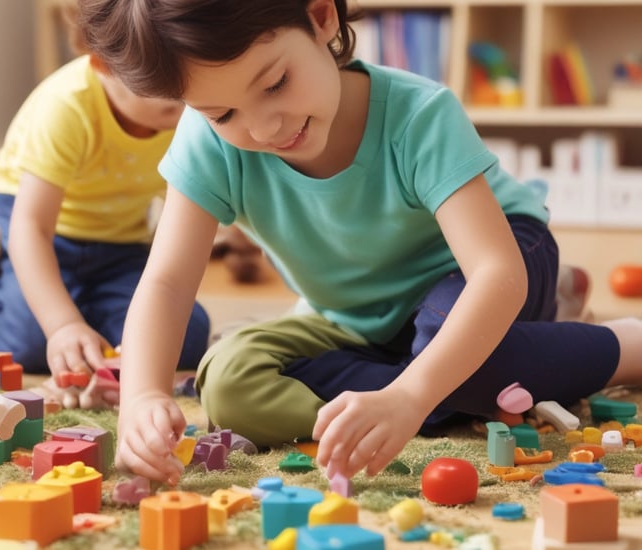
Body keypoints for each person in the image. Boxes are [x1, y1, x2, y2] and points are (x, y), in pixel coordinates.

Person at [78, 0, 642, 482]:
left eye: (275, 83)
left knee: (452, 346)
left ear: (322, 15)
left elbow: (498, 274)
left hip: (492, 267)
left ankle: (622, 344)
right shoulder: (209, 142)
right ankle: (476, 365)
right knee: (226, 386)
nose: (266, 129)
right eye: (223, 113)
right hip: (354, 316)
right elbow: (169, 280)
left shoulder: (418, 115)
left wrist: (412, 398)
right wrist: (143, 396)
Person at [0, 50, 212, 399]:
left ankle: (71, 300)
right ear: (102, 65)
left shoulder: (191, 116)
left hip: (118, 244)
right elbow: (32, 225)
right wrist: (64, 325)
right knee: (27, 344)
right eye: (156, 81)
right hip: (36, 227)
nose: (179, 94)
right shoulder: (67, 105)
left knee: (185, 336)